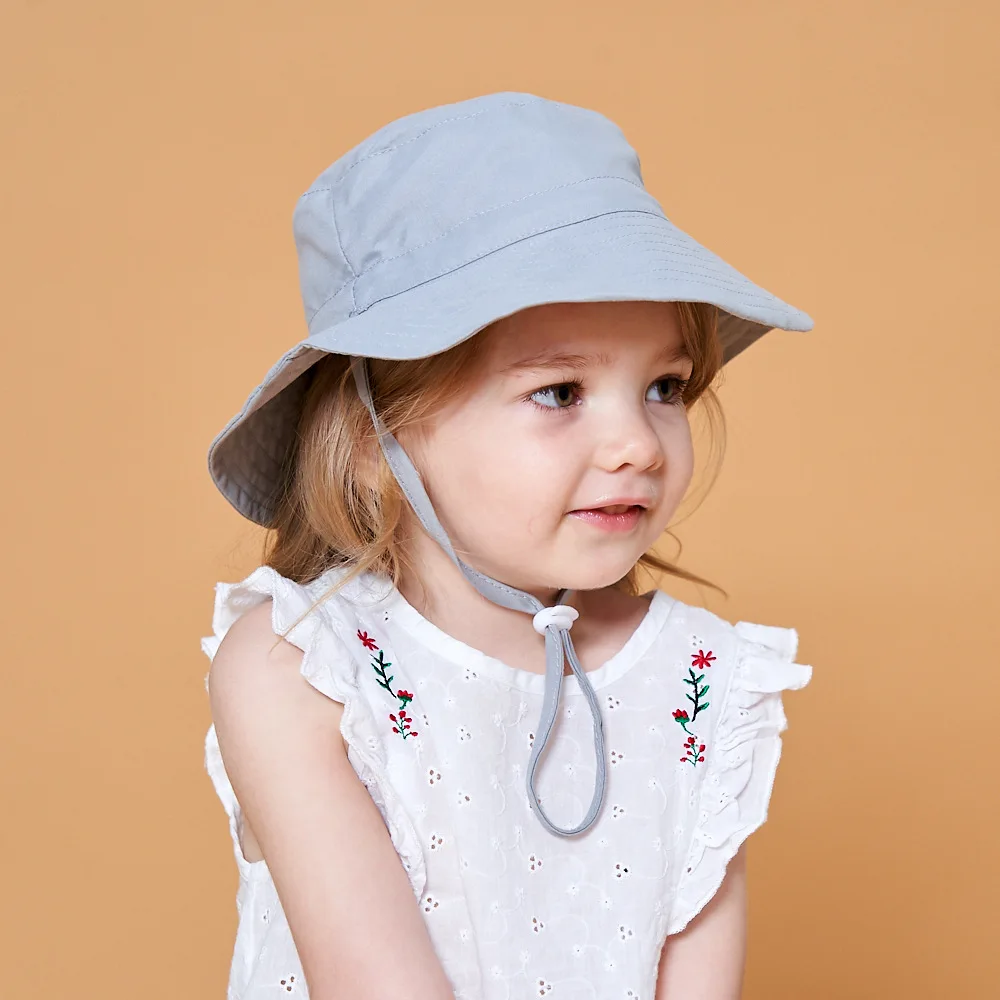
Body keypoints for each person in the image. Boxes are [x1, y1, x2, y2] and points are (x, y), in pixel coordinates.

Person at [201, 91, 815, 1000]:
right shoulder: (302, 668)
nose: (640, 446)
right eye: (561, 392)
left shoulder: (703, 681)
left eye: (665, 387)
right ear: (378, 438)